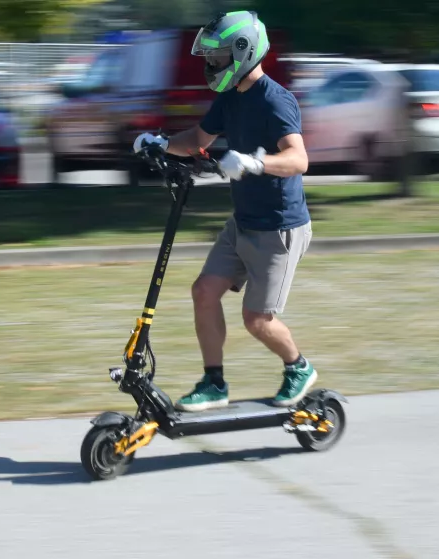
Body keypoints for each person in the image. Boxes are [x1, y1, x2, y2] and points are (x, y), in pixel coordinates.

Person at [133, 10, 316, 412]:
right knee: (203, 291)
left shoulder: (275, 100)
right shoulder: (230, 99)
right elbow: (198, 139)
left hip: (279, 229)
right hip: (244, 222)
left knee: (257, 319)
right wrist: (160, 143)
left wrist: (255, 163)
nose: (209, 65)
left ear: (242, 52)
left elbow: (298, 159)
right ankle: (214, 383)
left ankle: (299, 367)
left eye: (215, 57)